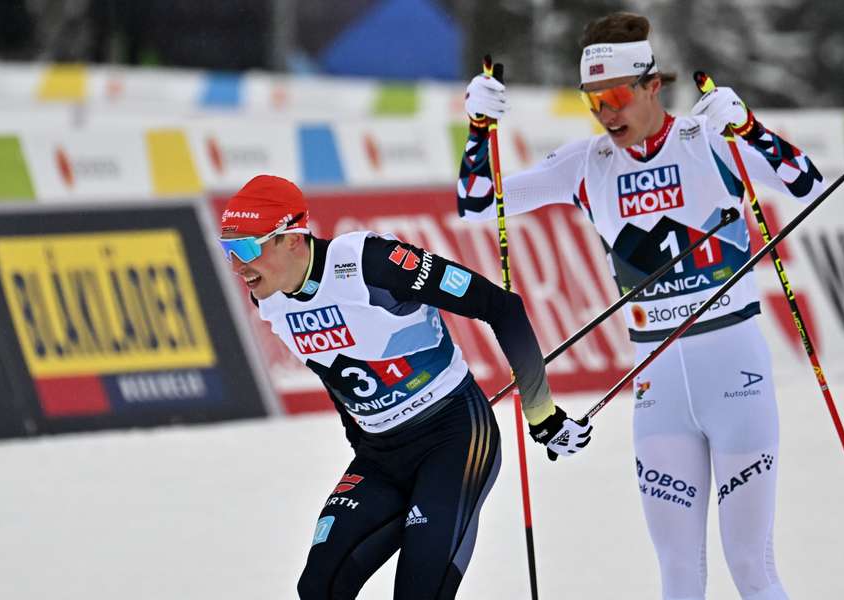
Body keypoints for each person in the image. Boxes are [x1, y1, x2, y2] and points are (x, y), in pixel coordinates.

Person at [457, 11, 825, 600]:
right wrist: (477, 128)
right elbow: (478, 205)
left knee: (750, 566)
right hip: (657, 388)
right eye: (593, 101)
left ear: (653, 84)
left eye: (618, 96)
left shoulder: (706, 140)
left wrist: (749, 128)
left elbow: (808, 182)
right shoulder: (586, 163)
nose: (607, 113)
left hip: (735, 371)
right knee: (678, 575)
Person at [217, 174, 592, 600]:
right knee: (319, 587)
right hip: (381, 456)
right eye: (228, 251)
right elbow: (336, 375)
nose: (237, 266)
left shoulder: (371, 262)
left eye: (246, 249)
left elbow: (501, 306)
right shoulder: (268, 296)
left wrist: (542, 415)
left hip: (452, 439)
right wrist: (361, 436)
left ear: (292, 238)